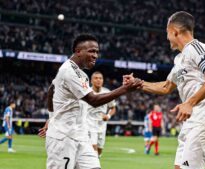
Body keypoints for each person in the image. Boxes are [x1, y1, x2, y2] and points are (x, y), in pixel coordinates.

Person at [124, 11, 205, 169]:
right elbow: (166, 87)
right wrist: (139, 84)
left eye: (167, 32)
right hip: (192, 121)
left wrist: (190, 103)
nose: (167, 38)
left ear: (174, 31)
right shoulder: (180, 59)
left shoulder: (197, 48)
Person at [42, 34, 142, 169]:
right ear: (78, 52)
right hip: (63, 138)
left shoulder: (79, 73)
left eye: (97, 52)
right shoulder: (68, 71)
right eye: (91, 51)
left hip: (81, 136)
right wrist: (125, 89)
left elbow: (51, 90)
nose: (95, 55)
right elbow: (93, 100)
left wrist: (51, 117)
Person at [80, 71, 117, 157]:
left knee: (99, 150)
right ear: (91, 81)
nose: (98, 80)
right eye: (96, 78)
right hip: (88, 123)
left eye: (100, 78)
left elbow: (113, 108)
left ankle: (94, 162)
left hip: (101, 125)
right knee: (93, 149)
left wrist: (108, 116)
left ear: (103, 80)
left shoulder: (107, 93)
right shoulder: (86, 92)